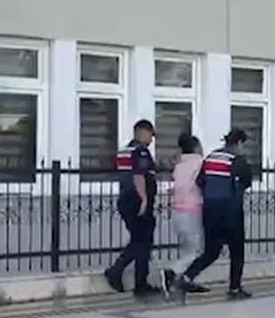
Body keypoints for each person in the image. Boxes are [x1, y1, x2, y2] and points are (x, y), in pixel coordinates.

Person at [180, 129, 253, 299]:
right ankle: (235, 288)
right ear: (239, 143)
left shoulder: (211, 157)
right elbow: (246, 181)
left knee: (211, 251)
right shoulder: (237, 159)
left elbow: (200, 181)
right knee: (237, 251)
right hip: (230, 210)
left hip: (210, 209)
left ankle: (186, 276)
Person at [105, 119, 158, 298]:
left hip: (126, 200)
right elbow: (139, 175)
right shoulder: (140, 151)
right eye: (150, 135)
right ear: (143, 132)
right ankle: (120, 273)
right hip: (137, 201)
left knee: (140, 241)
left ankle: (138, 281)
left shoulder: (123, 152)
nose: (151, 140)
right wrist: (144, 198)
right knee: (143, 241)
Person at [162, 133, 204, 298]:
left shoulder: (179, 165)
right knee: (197, 250)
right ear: (196, 147)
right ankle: (172, 271)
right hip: (192, 209)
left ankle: (181, 282)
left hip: (177, 209)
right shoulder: (200, 163)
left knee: (187, 248)